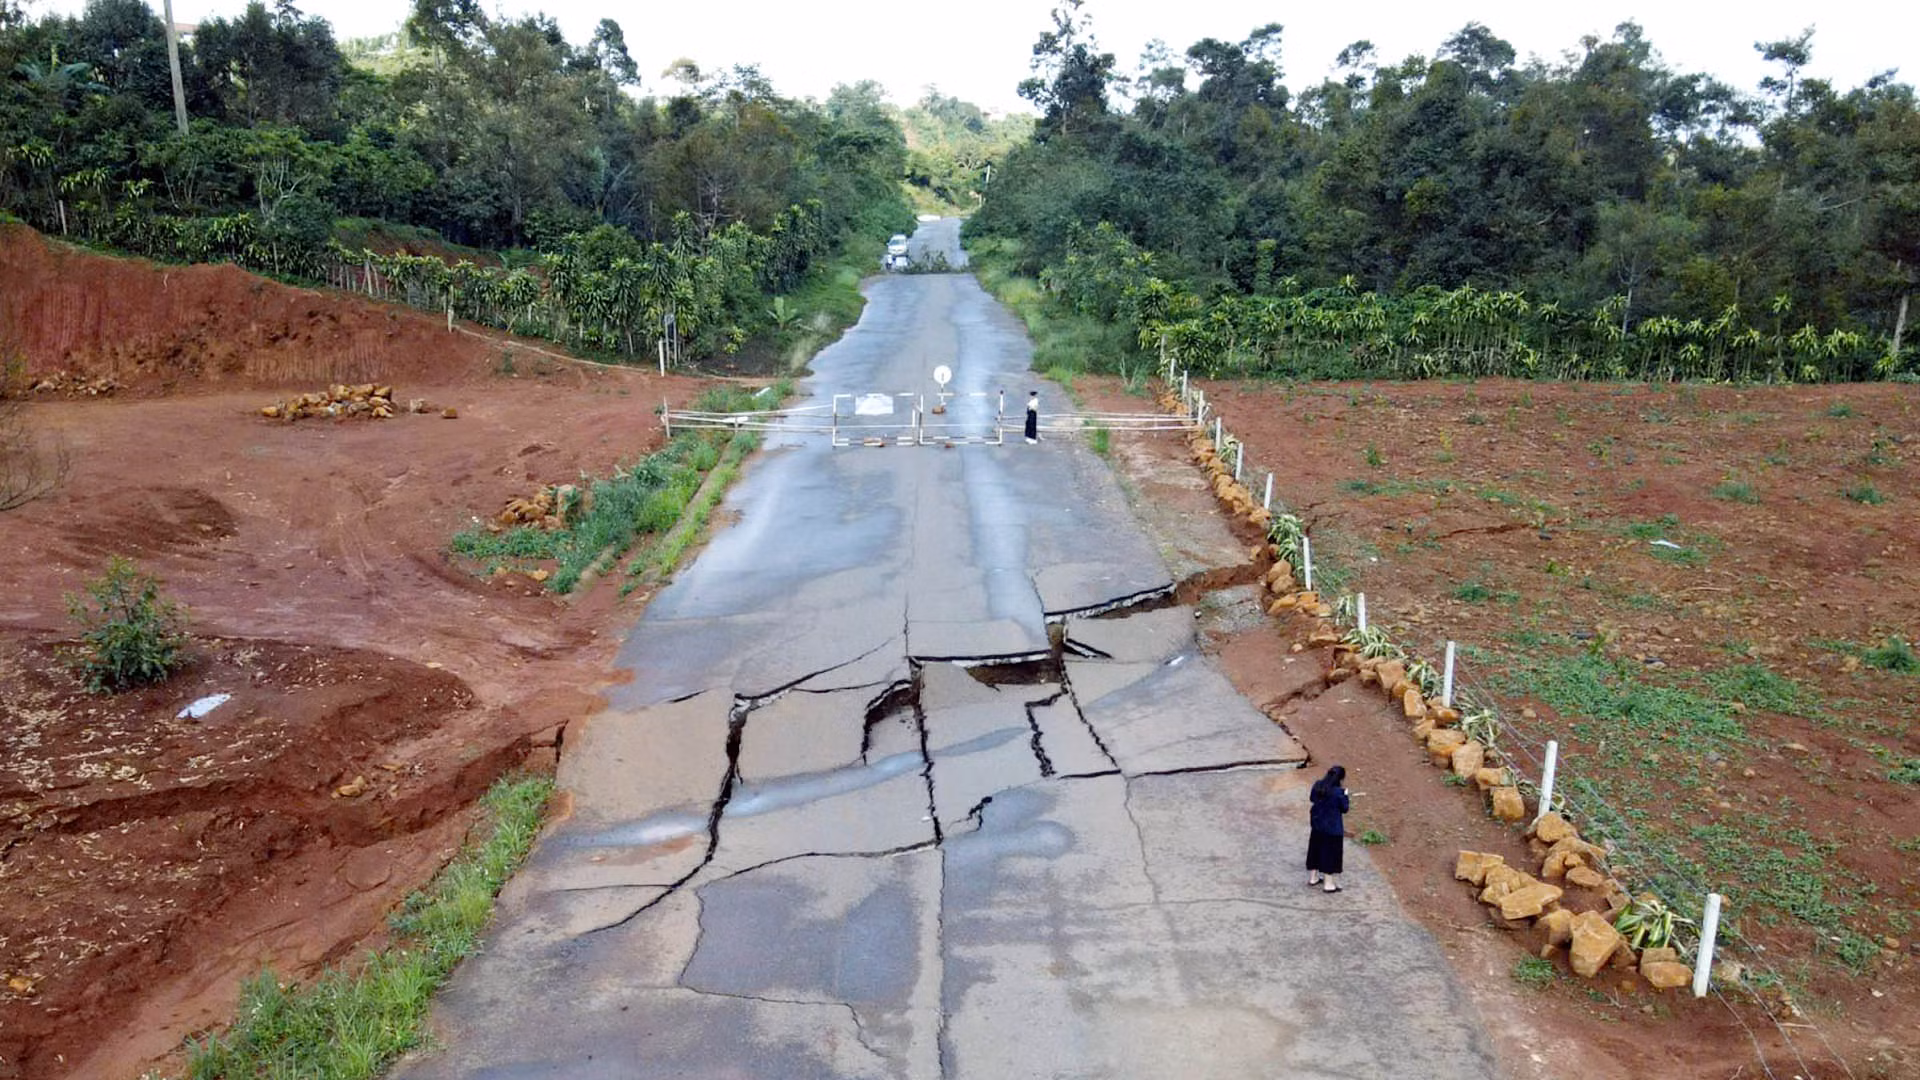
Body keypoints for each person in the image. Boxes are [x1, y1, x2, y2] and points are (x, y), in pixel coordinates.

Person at [1306, 765, 1350, 892]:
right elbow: (1345, 809)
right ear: (1340, 778)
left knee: (1315, 850)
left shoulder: (1318, 785)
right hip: (1332, 829)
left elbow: (1312, 798)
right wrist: (1345, 796)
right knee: (1330, 855)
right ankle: (1328, 884)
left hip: (1317, 825)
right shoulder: (1338, 792)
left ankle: (1313, 878)